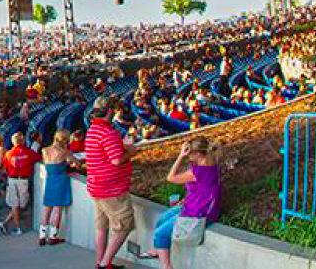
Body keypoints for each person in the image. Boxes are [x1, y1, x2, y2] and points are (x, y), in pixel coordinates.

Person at [138, 137, 221, 269]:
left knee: (160, 234)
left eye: (189, 153)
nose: (187, 155)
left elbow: (170, 178)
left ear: (198, 154)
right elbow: (199, 189)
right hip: (195, 205)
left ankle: (167, 266)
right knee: (162, 219)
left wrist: (180, 156)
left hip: (199, 213)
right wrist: (185, 200)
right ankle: (157, 250)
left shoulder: (199, 172)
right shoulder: (209, 164)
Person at [86, 104, 135, 269]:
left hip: (96, 187)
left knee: (102, 226)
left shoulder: (92, 130)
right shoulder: (108, 133)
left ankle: (100, 262)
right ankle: (104, 264)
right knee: (124, 225)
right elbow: (116, 160)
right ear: (109, 111)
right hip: (111, 190)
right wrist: (130, 151)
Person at [0, 131, 39, 236]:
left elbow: (6, 169)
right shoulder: (29, 152)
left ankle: (6, 224)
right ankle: (15, 227)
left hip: (12, 180)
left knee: (15, 205)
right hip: (23, 180)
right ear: (23, 141)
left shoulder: (8, 153)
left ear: (13, 142)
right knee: (20, 205)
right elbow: (38, 158)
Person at [39, 129, 74, 246]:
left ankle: (42, 236)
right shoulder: (64, 151)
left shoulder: (44, 150)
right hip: (60, 180)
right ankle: (52, 237)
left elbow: (49, 164)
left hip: (50, 180)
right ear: (65, 139)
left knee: (47, 209)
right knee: (57, 209)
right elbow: (76, 162)